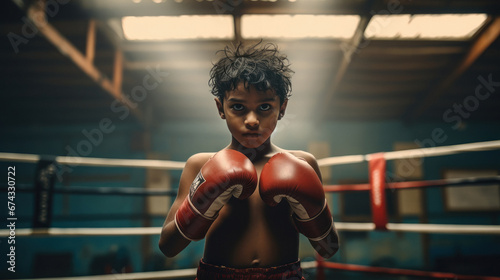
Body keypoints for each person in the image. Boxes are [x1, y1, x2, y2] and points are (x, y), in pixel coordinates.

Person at [159, 41, 339, 280]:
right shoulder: (200, 164)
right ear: (220, 108)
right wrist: (198, 207)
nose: (252, 120)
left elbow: (328, 248)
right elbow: (169, 247)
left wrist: (313, 214)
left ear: (282, 108)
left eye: (265, 106)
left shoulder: (302, 163)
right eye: (238, 107)